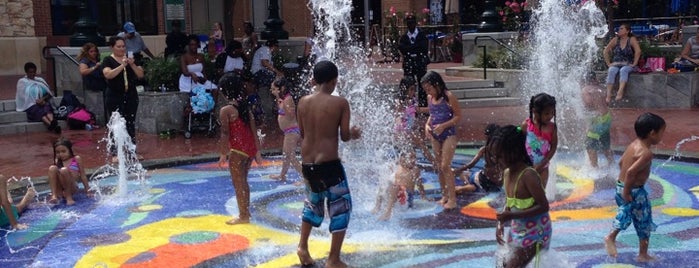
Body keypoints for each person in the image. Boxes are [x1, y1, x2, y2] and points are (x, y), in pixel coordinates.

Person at [296, 61, 361, 268]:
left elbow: (303, 133)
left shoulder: (303, 102)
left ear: (314, 80)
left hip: (308, 165)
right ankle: (333, 258)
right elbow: (344, 136)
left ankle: (302, 247)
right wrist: (354, 133)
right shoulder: (340, 103)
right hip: (330, 165)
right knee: (341, 207)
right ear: (334, 81)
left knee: (312, 203)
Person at [604, 112, 665, 262]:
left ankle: (613, 237)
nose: (662, 136)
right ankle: (641, 254)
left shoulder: (633, 145)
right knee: (643, 220)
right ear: (652, 133)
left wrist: (623, 188)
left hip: (620, 186)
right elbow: (631, 172)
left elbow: (621, 163)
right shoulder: (646, 153)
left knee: (626, 213)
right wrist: (627, 192)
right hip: (634, 191)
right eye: (662, 132)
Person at [494, 125, 552, 268]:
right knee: (502, 265)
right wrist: (500, 224)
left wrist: (511, 217)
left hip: (536, 232)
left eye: (500, 156)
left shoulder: (528, 175)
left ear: (514, 152)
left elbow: (544, 206)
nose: (497, 160)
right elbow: (510, 203)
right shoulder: (507, 173)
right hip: (517, 229)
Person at [217, 72, 263, 225]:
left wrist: (223, 153)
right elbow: (253, 129)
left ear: (224, 91)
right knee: (244, 181)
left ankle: (243, 216)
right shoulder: (245, 107)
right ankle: (246, 213)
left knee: (238, 182)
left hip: (237, 150)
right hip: (248, 149)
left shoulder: (226, 110)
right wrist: (257, 152)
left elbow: (225, 133)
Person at [422, 71, 460, 209]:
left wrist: (443, 126)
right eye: (426, 90)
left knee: (445, 165)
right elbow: (432, 114)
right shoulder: (430, 98)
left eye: (430, 88)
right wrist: (427, 125)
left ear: (437, 85)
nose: (429, 92)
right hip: (435, 135)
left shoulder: (449, 97)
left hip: (449, 134)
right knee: (439, 166)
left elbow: (458, 116)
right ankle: (444, 195)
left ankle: (452, 199)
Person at [102, 36, 144, 154]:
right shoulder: (108, 60)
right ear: (112, 47)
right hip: (114, 95)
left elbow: (140, 74)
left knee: (130, 121)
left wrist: (132, 65)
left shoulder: (131, 59)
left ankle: (131, 150)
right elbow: (108, 74)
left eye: (123, 46)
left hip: (130, 94)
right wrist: (122, 66)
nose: (121, 49)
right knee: (116, 122)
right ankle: (115, 151)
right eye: (118, 46)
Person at [394, 76, 435, 166]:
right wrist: (401, 131)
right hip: (403, 131)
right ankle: (435, 163)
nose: (413, 92)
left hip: (410, 130)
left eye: (414, 90)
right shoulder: (400, 102)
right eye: (411, 90)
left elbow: (418, 110)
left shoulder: (413, 100)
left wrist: (433, 109)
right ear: (404, 89)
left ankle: (397, 167)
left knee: (411, 156)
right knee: (421, 145)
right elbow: (397, 116)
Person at [372, 149, 423, 221]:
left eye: (415, 158)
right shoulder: (397, 167)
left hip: (407, 200)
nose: (414, 160)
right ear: (402, 159)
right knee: (383, 183)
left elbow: (419, 184)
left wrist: (423, 196)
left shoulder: (415, 170)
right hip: (395, 197)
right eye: (411, 157)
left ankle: (388, 212)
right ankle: (377, 206)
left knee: (395, 186)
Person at [269, 77, 303, 183]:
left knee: (291, 156)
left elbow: (291, 115)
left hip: (292, 131)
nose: (272, 91)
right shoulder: (282, 99)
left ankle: (306, 178)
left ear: (281, 88)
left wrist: (283, 107)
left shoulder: (288, 99)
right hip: (288, 132)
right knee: (286, 155)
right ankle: (282, 175)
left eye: (274, 89)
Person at [521, 93, 558, 189]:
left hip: (543, 166)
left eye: (552, 113)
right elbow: (520, 144)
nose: (550, 116)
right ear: (535, 112)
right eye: (546, 113)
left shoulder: (552, 127)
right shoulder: (526, 125)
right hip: (526, 165)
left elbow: (553, 147)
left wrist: (544, 162)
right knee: (526, 191)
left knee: (540, 191)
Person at [453, 124, 502, 194]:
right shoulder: (503, 150)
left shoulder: (484, 149)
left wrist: (457, 170)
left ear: (486, 136)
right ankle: (472, 186)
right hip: (497, 185)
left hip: (484, 181)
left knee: (463, 173)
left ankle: (468, 186)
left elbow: (471, 165)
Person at [15, 62, 61, 134]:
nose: (33, 74)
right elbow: (22, 96)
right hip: (29, 105)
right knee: (37, 110)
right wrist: (34, 102)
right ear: (26, 72)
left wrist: (42, 99)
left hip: (42, 102)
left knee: (46, 106)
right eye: (30, 72)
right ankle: (51, 125)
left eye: (34, 72)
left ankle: (52, 121)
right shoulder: (22, 82)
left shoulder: (40, 80)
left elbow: (49, 93)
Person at [582, 72, 614, 168]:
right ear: (595, 79)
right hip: (607, 117)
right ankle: (612, 164)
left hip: (597, 120)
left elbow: (588, 103)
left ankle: (594, 168)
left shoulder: (586, 90)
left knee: (590, 144)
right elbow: (607, 102)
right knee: (605, 142)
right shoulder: (601, 88)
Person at [603, 23, 641, 103]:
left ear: (627, 31)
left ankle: (620, 91)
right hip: (616, 63)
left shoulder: (631, 39)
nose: (619, 30)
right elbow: (606, 51)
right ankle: (609, 93)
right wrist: (608, 63)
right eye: (619, 29)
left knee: (623, 70)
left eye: (621, 29)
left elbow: (638, 51)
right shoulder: (615, 40)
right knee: (611, 70)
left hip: (628, 63)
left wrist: (634, 63)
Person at [398, 14, 430, 108]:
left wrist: (410, 49)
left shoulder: (421, 35)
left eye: (412, 22)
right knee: (409, 84)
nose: (410, 25)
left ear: (415, 23)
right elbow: (402, 48)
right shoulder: (404, 37)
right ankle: (410, 106)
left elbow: (423, 48)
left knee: (422, 83)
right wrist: (415, 48)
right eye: (408, 23)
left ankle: (423, 105)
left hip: (420, 62)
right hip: (408, 63)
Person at [47, 138, 91, 205]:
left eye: (63, 151)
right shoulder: (57, 161)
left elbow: (83, 175)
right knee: (52, 168)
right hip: (61, 190)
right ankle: (54, 195)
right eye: (58, 152)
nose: (61, 154)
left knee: (64, 170)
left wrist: (88, 190)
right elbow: (54, 177)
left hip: (71, 188)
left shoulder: (76, 159)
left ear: (70, 150)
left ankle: (69, 197)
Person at [251, 39, 283, 122]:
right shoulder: (266, 49)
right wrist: (278, 72)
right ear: (273, 46)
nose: (277, 50)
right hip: (259, 73)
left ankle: (274, 104)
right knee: (278, 81)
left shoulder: (266, 51)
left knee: (276, 82)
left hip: (262, 74)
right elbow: (264, 63)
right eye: (276, 47)